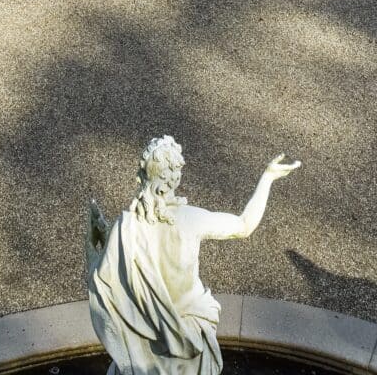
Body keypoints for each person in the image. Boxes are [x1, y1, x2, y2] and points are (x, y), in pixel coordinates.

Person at [87, 137, 300, 375]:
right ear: (175, 177)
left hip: (144, 348)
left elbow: (105, 286)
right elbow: (244, 225)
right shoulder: (191, 219)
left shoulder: (125, 227)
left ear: (143, 176)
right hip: (190, 338)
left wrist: (97, 240)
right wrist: (267, 178)